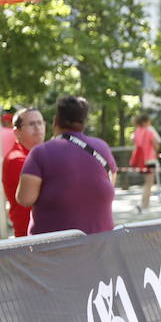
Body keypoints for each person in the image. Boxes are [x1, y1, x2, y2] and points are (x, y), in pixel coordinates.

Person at [16, 95, 118, 235]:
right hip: (100, 244)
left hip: (54, 248)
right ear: (83, 122)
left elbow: (25, 199)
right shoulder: (102, 148)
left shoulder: (40, 153)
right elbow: (110, 183)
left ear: (56, 121)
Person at [2, 107, 46, 237]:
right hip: (30, 238)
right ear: (17, 132)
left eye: (40, 122)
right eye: (31, 124)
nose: (38, 128)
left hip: (43, 235)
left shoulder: (39, 155)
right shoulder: (16, 159)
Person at [128, 113, 160, 210]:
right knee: (149, 183)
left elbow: (135, 143)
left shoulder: (136, 132)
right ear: (145, 122)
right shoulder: (149, 132)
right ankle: (144, 204)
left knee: (147, 182)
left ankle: (145, 203)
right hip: (150, 159)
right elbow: (156, 145)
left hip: (140, 161)